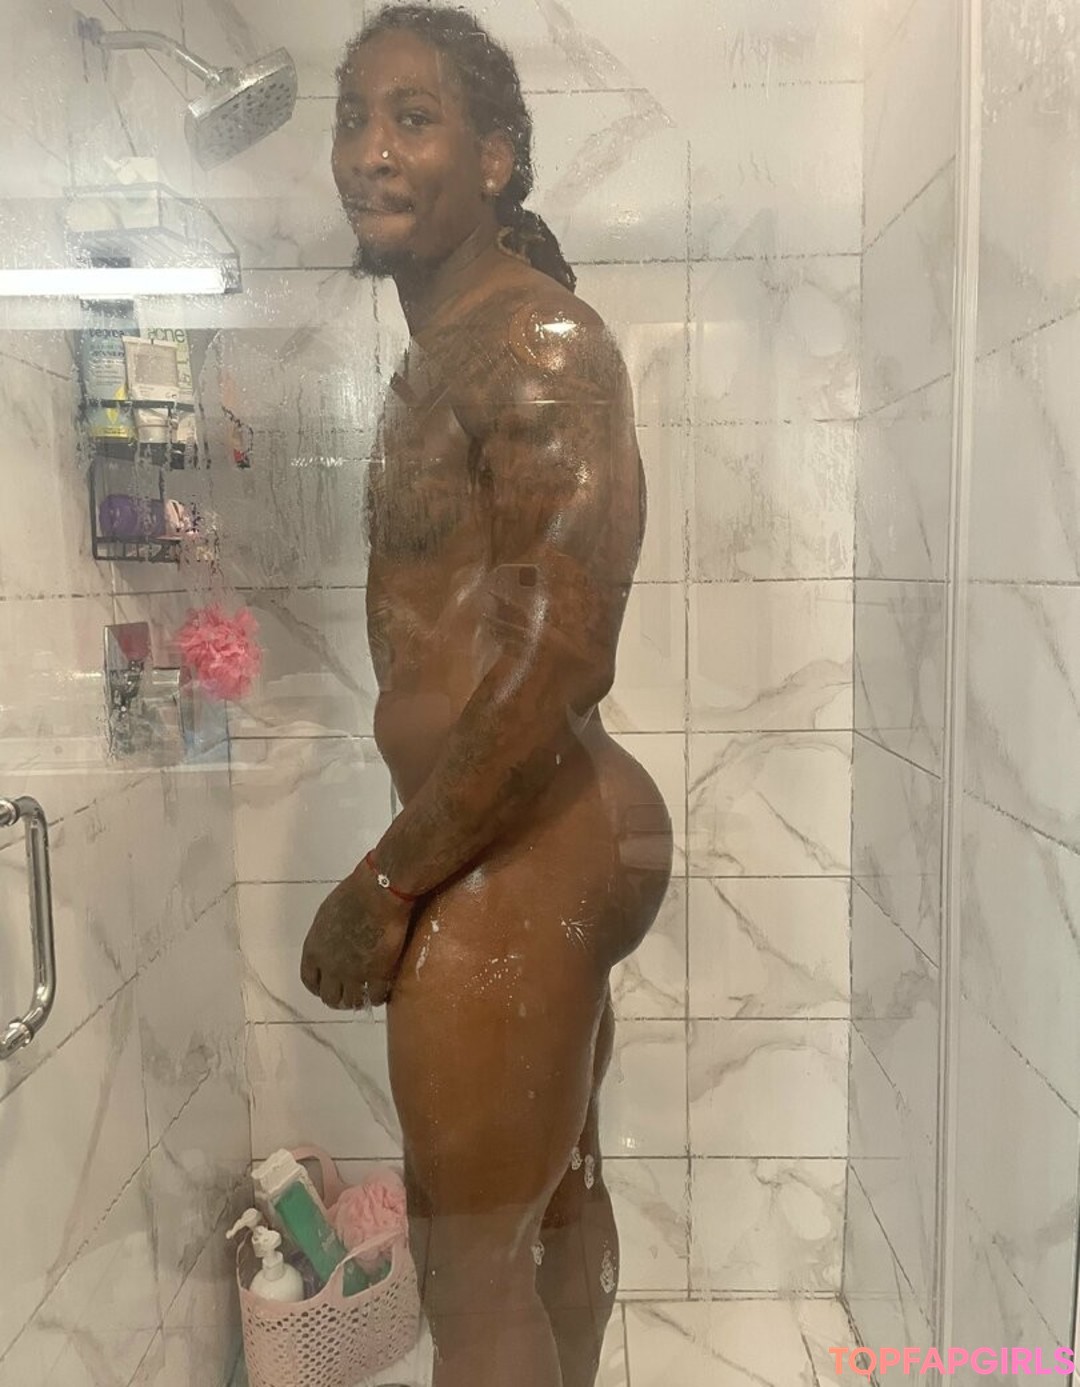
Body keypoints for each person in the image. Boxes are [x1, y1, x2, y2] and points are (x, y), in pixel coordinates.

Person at [300, 8, 673, 1385]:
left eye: (413, 118)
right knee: (548, 1205)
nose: (371, 151)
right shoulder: (451, 344)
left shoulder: (536, 338)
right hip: (523, 828)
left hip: (521, 842)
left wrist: (390, 881)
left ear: (497, 158)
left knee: (469, 1268)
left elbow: (562, 652)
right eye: (354, 118)